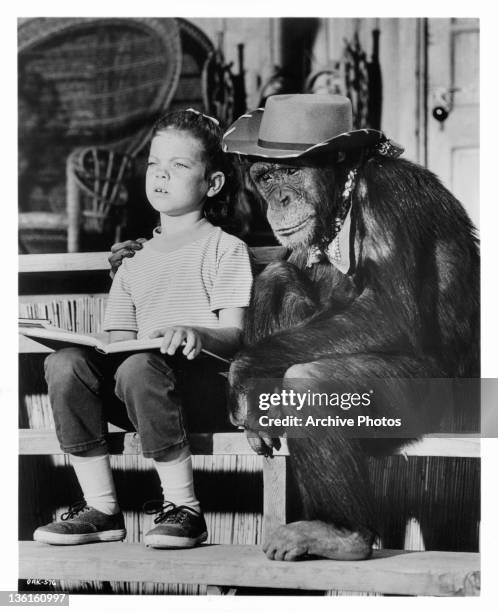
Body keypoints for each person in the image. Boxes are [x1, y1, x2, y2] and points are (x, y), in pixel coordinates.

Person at [34, 109, 253, 549]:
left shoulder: (225, 249)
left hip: (201, 392)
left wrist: (197, 332)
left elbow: (235, 337)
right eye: (155, 164)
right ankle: (101, 509)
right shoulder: (134, 262)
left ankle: (185, 508)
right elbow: (117, 342)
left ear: (212, 184)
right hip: (138, 390)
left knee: (139, 368)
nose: (161, 176)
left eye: (179, 166)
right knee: (65, 364)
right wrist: (85, 347)